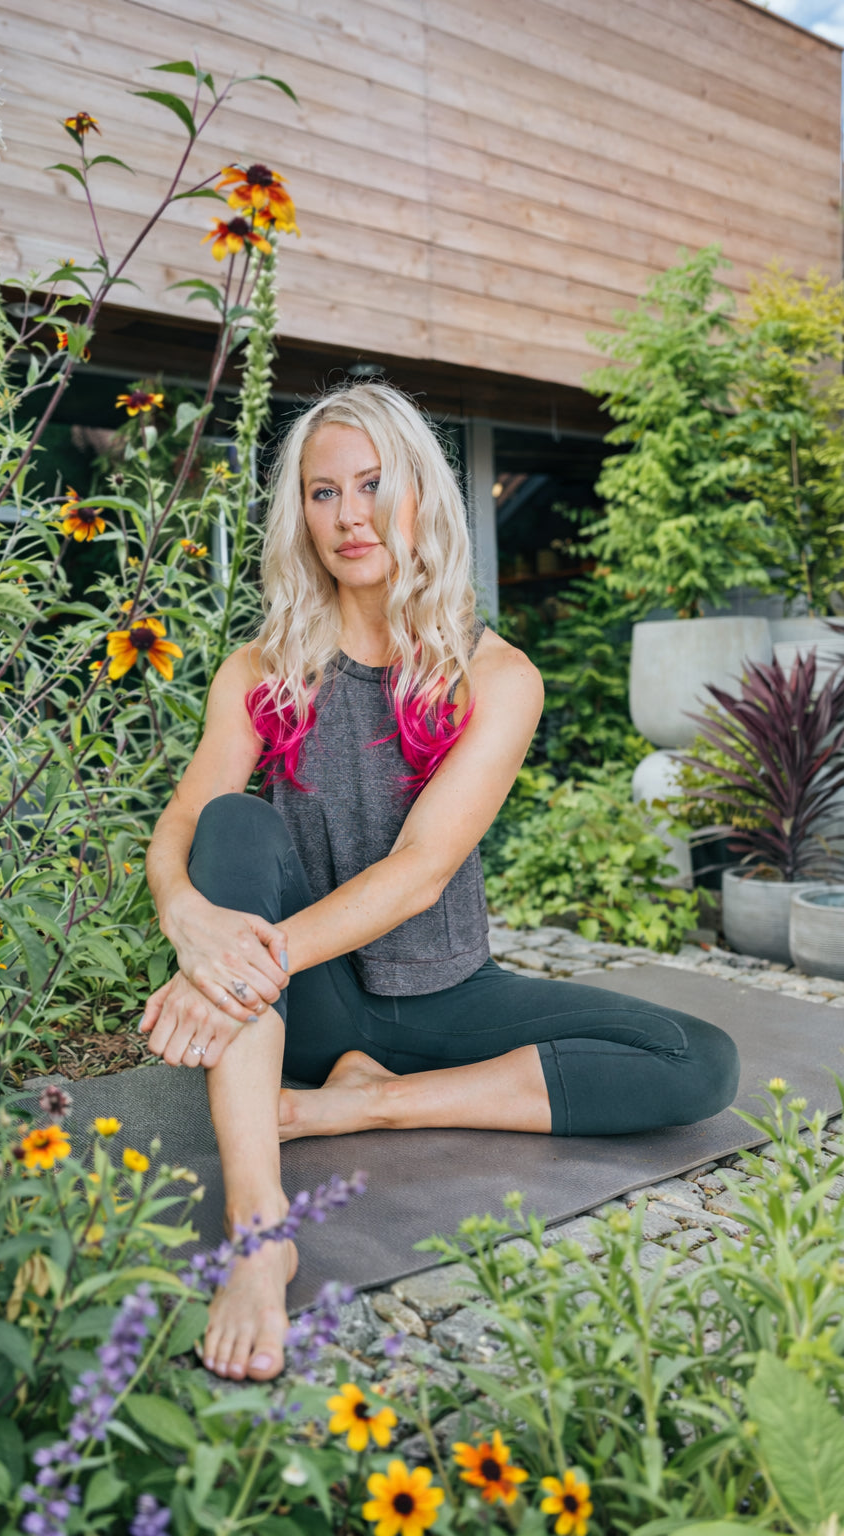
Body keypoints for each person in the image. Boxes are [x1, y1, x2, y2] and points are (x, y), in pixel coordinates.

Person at [139, 381, 740, 1384]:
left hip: (441, 994)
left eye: (372, 484)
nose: (349, 516)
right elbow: (183, 822)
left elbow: (418, 874)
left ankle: (360, 1105)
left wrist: (231, 971)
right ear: (301, 515)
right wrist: (192, 925)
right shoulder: (257, 669)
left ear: (420, 494)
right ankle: (259, 1234)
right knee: (233, 822)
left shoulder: (494, 675)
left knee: (697, 1060)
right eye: (322, 493)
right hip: (307, 1007)